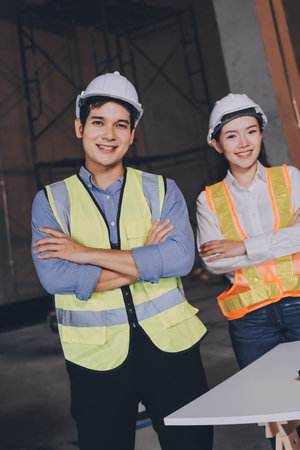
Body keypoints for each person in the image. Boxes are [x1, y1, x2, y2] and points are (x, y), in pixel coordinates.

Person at [31, 71, 213, 450]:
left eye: (121, 125)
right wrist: (147, 260)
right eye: (98, 122)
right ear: (80, 127)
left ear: (132, 134)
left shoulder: (161, 189)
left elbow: (180, 259)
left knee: (192, 445)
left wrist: (84, 254)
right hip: (95, 357)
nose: (109, 135)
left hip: (172, 347)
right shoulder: (50, 201)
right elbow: (56, 278)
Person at [197, 93, 300, 371]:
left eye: (251, 131)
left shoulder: (290, 178)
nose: (244, 143)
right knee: (265, 404)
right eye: (231, 136)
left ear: (261, 133)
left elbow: (229, 254)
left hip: (299, 304)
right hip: (249, 320)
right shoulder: (208, 200)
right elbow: (214, 262)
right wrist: (288, 238)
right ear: (216, 144)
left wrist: (241, 247)